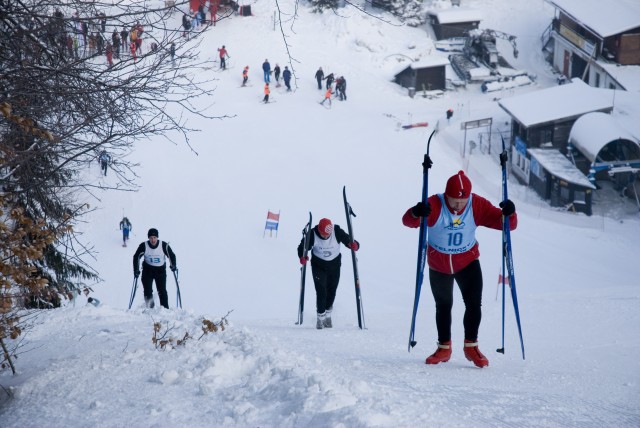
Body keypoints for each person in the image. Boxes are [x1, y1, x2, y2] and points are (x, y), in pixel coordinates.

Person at [402, 168, 517, 368]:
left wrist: (510, 213)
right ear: (446, 195)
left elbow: (507, 224)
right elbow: (408, 222)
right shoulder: (435, 204)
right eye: (453, 200)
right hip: (439, 264)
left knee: (474, 304)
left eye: (462, 202)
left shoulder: (477, 205)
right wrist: (415, 212)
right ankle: (444, 348)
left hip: (468, 262)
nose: (457, 205)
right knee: (444, 305)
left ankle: (471, 346)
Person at [297, 218, 359, 329]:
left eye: (327, 235)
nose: (325, 237)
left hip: (334, 266)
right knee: (321, 291)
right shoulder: (312, 234)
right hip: (318, 266)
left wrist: (354, 245)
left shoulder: (336, 231)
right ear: (319, 230)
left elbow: (349, 240)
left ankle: (328, 316)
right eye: (323, 234)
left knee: (332, 290)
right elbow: (302, 247)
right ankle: (320, 318)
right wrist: (302, 256)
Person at [132, 228, 177, 309]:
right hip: (147, 271)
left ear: (157, 237)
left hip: (160, 271)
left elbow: (172, 255)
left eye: (154, 237)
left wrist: (173, 265)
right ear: (148, 238)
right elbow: (136, 257)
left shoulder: (163, 245)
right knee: (148, 291)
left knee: (162, 291)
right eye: (151, 238)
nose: (153, 240)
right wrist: (136, 270)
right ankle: (150, 309)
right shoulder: (143, 246)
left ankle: (165, 310)